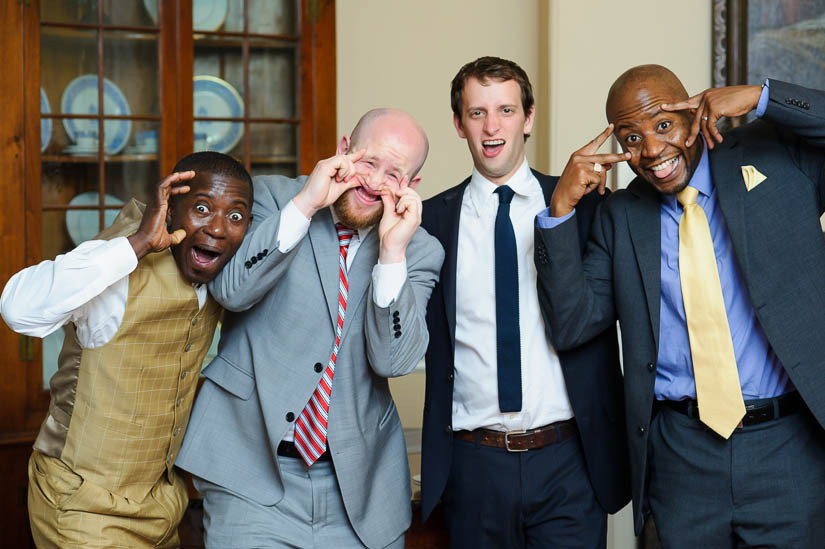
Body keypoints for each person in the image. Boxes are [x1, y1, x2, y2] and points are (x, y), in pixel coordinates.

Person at [536, 64, 825, 548]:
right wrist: (560, 211)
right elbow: (571, 323)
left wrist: (762, 96)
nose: (650, 150)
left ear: (694, 114)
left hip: (788, 449)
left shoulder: (774, 158)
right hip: (681, 459)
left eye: (663, 125)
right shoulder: (620, 216)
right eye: (630, 138)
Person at [175, 108, 444, 549]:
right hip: (249, 468)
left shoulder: (421, 251)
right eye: (368, 163)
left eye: (393, 174)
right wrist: (307, 204)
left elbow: (393, 361)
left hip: (359, 489)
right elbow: (232, 291)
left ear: (411, 187)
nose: (374, 182)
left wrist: (392, 253)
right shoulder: (272, 198)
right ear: (343, 150)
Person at [420, 56, 630, 548]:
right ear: (458, 124)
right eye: (477, 113)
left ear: (528, 117)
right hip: (473, 466)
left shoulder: (585, 206)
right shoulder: (428, 222)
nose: (492, 128)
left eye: (506, 110)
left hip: (569, 464)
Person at [0, 151, 254, 548]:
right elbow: (18, 308)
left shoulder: (220, 277)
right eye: (202, 208)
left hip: (161, 506)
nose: (219, 229)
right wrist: (136, 243)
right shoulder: (116, 264)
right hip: (82, 508)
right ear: (168, 209)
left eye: (235, 216)